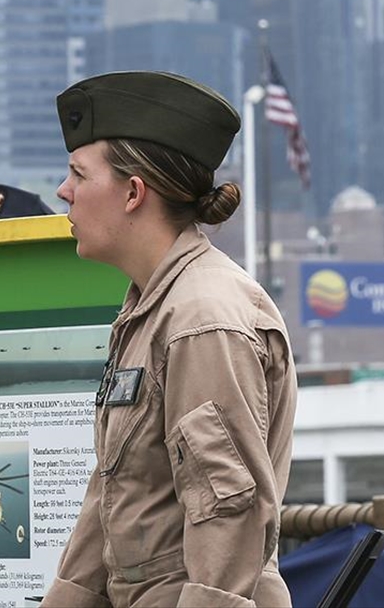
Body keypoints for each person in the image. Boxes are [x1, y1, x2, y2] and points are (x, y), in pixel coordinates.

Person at [41, 71, 298, 608]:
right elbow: (113, 497)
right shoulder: (153, 308)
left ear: (133, 192)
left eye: (78, 175)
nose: (63, 192)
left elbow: (227, 512)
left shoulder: (202, 317)